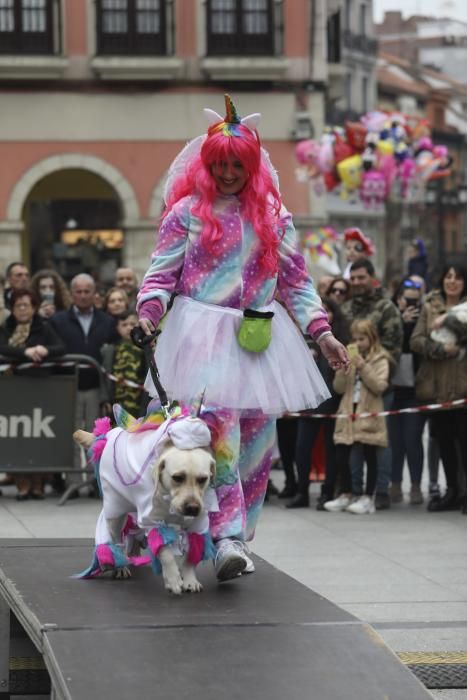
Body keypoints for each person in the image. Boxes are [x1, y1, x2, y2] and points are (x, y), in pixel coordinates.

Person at [137, 94, 349, 581]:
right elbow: (160, 275)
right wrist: (149, 313)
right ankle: (224, 534)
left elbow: (297, 281)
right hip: (201, 337)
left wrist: (323, 334)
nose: (230, 172)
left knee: (257, 445)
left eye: (238, 163)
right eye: (221, 164)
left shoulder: (274, 215)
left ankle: (237, 537)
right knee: (218, 433)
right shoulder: (186, 213)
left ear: (251, 166)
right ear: (207, 165)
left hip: (259, 338)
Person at [342, 258, 403, 510]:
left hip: (378, 385)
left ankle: (381, 490)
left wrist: (369, 368)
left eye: (361, 277)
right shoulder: (345, 309)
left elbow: (393, 347)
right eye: (353, 278)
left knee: (379, 441)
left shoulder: (386, 308)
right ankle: (352, 490)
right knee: (352, 440)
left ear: (371, 277)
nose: (356, 282)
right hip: (349, 386)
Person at [50, 273, 117, 492]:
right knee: (71, 435)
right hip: (69, 386)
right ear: (71, 294)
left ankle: (95, 482)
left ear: (94, 293)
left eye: (87, 291)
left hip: (96, 387)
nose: (83, 296)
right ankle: (74, 482)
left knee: (96, 437)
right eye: (78, 291)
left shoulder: (107, 321)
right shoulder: (58, 321)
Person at [410, 264, 467, 514]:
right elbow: (416, 340)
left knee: (465, 444)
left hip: (463, 387)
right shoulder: (430, 305)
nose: (452, 282)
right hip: (437, 387)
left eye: (457, 278)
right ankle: (451, 490)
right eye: (448, 277)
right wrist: (440, 349)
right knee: (444, 443)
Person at [0, 289, 65, 499]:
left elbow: (60, 347)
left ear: (33, 307)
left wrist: (45, 350)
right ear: (12, 308)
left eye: (26, 305)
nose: (22, 309)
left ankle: (38, 483)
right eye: (18, 306)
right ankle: (22, 483)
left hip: (40, 389)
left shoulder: (43, 327)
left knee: (38, 437)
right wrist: (24, 352)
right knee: (18, 436)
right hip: (13, 389)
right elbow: (2, 348)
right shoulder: (6, 327)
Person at [287, 296, 351, 509]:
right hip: (309, 403)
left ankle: (327, 490)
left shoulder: (338, 340)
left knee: (331, 450)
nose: (325, 316)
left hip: (332, 403)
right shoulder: (305, 338)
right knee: (301, 448)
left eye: (329, 311)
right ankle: (302, 490)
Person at [325, 319, 390, 515]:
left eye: (362, 339)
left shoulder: (381, 359)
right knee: (342, 455)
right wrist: (343, 371)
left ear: (372, 338)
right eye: (355, 339)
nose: (358, 343)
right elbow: (339, 388)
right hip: (348, 411)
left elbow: (380, 386)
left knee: (369, 455)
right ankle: (347, 493)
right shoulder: (349, 358)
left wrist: (363, 366)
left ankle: (368, 497)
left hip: (368, 412)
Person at [389, 278, 425, 505]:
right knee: (394, 441)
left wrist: (414, 324)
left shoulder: (424, 318)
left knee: (412, 439)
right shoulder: (391, 317)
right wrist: (400, 323)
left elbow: (420, 345)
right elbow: (387, 343)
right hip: (392, 388)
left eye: (414, 300)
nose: (409, 304)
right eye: (406, 299)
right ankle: (394, 484)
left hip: (415, 390)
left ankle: (415, 486)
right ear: (398, 299)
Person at [101, 311, 148, 417]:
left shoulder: (145, 350)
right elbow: (105, 377)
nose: (128, 328)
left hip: (138, 402)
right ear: (117, 328)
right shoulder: (110, 350)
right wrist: (106, 399)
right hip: (117, 402)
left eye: (132, 324)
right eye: (124, 325)